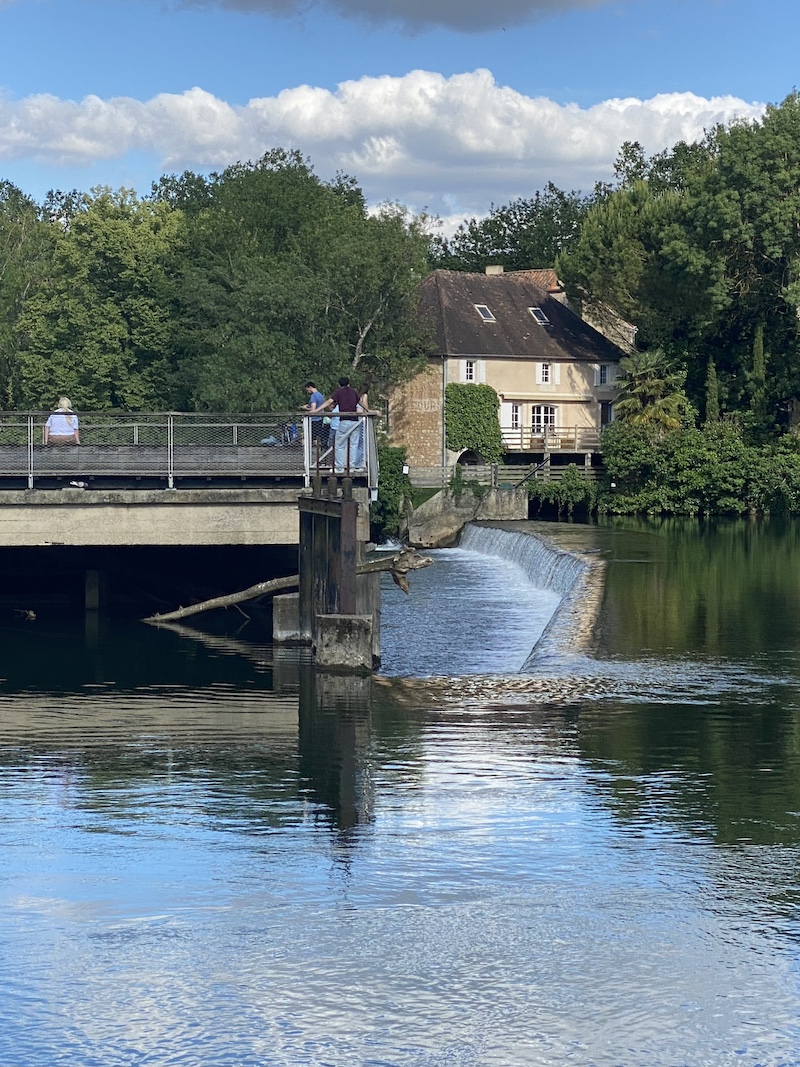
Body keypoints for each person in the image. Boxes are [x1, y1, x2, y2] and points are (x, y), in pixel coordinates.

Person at [318, 376, 363, 471]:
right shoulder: (353, 391)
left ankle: (339, 467)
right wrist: (368, 410)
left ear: (339, 385)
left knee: (339, 445)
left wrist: (317, 410)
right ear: (349, 384)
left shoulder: (338, 392)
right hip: (355, 421)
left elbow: (329, 401)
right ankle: (352, 467)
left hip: (344, 421)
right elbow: (360, 402)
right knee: (353, 445)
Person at [301, 381, 327, 452]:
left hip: (313, 420)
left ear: (310, 387)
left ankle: (306, 453)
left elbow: (313, 409)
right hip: (320, 419)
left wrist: (305, 408)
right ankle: (319, 454)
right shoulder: (321, 395)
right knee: (317, 437)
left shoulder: (313, 396)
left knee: (306, 437)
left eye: (307, 389)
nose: (307, 391)